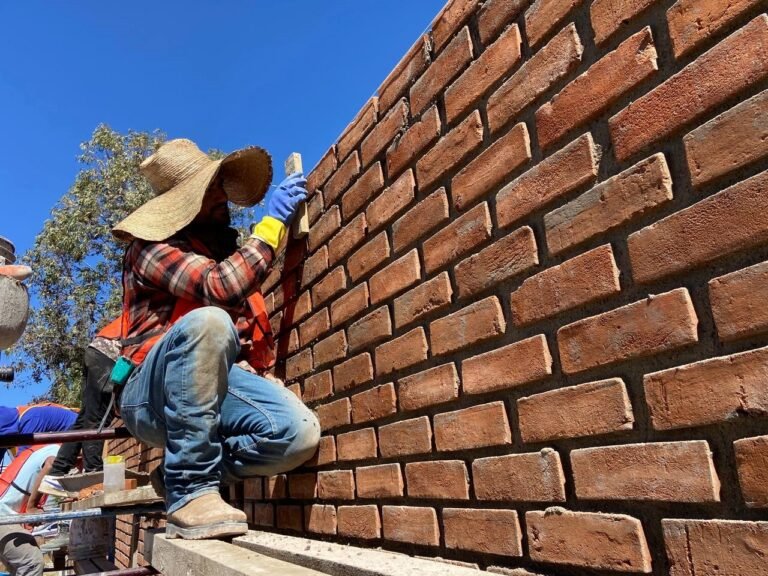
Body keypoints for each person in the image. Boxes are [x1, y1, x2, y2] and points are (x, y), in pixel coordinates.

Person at [110, 139, 320, 540]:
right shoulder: (150, 247)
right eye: (210, 191)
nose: (222, 196)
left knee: (296, 434)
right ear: (184, 204)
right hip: (147, 396)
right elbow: (220, 288)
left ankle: (176, 473)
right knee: (210, 321)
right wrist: (272, 225)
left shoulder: (214, 247)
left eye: (219, 185)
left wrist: (250, 368)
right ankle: (190, 491)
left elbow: (230, 331)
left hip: (202, 387)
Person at [37, 319, 121, 498]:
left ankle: (57, 472)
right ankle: (93, 477)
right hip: (109, 354)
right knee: (98, 418)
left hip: (98, 350)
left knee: (86, 417)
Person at [0, 442, 61, 576]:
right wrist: (31, 507)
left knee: (19, 566)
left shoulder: (45, 450)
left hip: (5, 514)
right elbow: (51, 463)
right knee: (32, 562)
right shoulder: (58, 451)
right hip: (2, 514)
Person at [0, 405, 77, 467]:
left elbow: (22, 461)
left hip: (79, 435)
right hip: (65, 445)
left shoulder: (31, 418)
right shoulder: (11, 426)